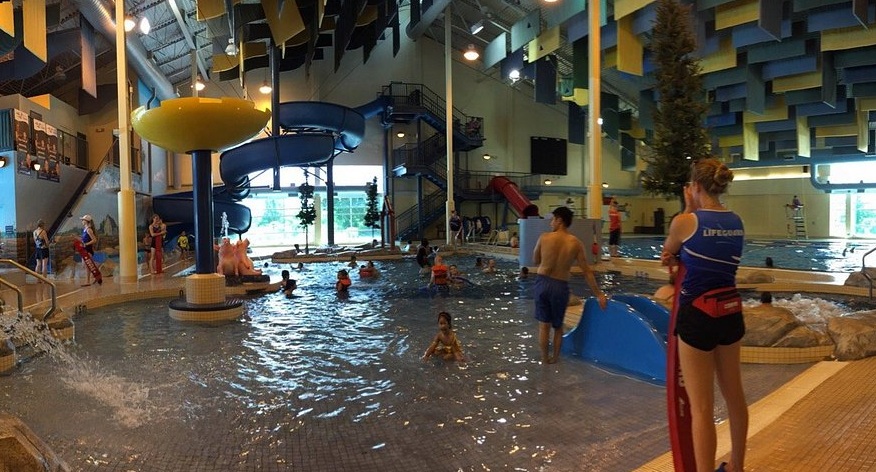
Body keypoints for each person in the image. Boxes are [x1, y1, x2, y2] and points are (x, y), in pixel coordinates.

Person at [659, 158, 747, 472]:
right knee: (735, 397)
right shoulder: (737, 220)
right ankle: (737, 466)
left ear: (694, 187)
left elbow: (669, 249)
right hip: (730, 311)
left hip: (697, 315)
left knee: (701, 408)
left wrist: (687, 207)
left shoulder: (686, 221)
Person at [533, 206, 608, 365]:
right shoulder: (576, 243)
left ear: (559, 220)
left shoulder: (544, 238)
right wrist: (599, 294)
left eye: (553, 219)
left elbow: (535, 260)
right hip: (560, 286)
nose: (551, 223)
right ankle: (555, 359)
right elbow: (587, 272)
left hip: (542, 282)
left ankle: (545, 359)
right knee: (558, 327)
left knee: (543, 327)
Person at [80, 214, 98, 286]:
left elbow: (94, 240)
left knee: (87, 265)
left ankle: (88, 281)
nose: (82, 221)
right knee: (85, 265)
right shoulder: (85, 229)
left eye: (83, 220)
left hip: (88, 249)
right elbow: (85, 239)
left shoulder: (89, 230)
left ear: (86, 221)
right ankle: (96, 275)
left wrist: (86, 244)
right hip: (84, 249)